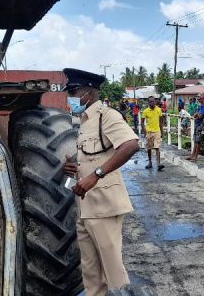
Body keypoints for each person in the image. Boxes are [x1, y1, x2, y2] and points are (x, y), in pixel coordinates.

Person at [62, 68, 139, 296]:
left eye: (74, 91)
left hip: (104, 206)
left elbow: (130, 144)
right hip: (85, 208)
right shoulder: (84, 120)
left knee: (112, 271)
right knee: (90, 271)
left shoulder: (107, 116)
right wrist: (71, 167)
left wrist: (95, 175)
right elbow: (92, 155)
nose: (71, 97)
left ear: (90, 92)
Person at [141, 96, 165, 171]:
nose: (152, 103)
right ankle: (150, 162)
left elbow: (161, 121)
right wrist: (145, 132)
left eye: (153, 101)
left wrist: (161, 131)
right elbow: (142, 123)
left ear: (155, 101)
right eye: (150, 101)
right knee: (149, 148)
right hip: (149, 132)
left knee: (157, 147)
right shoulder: (145, 111)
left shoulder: (159, 110)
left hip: (157, 131)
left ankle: (158, 164)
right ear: (148, 102)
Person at [187, 94, 204, 161]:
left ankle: (195, 156)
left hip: (201, 125)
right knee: (195, 140)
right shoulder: (200, 106)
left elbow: (200, 116)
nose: (198, 100)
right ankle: (192, 155)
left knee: (198, 141)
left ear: (203, 99)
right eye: (198, 99)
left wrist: (197, 114)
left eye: (199, 98)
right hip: (197, 124)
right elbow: (195, 115)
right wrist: (197, 114)